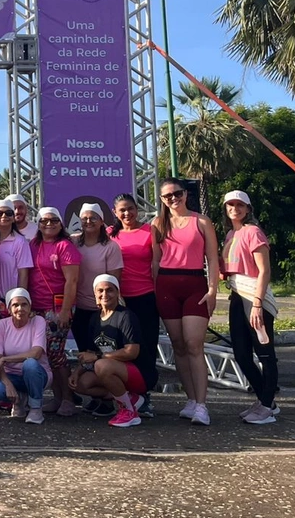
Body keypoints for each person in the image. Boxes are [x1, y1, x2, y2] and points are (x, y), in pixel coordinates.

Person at [151, 178, 219, 425]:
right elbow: (155, 260)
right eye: (167, 196)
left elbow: (212, 258)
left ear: (185, 194)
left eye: (177, 193)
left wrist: (213, 290)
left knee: (193, 344)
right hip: (166, 285)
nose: (173, 199)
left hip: (194, 284)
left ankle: (202, 404)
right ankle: (190, 400)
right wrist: (155, 289)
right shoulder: (158, 223)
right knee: (178, 345)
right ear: (162, 199)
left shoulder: (201, 221)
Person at [221, 190, 279, 425]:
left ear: (247, 209)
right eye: (230, 205)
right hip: (237, 295)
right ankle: (266, 399)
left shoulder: (253, 232)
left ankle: (266, 405)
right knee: (241, 354)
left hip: (254, 297)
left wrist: (257, 303)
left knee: (265, 353)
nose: (235, 209)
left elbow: (264, 270)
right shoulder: (230, 234)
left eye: (239, 205)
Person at [71, 274, 145, 428]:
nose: (105, 294)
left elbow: (132, 352)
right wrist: (76, 373)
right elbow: (91, 351)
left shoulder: (126, 316)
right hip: (111, 369)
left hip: (137, 371)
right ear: (95, 294)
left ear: (117, 293)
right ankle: (129, 398)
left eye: (109, 290)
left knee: (101, 365)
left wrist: (98, 356)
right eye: (100, 291)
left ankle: (128, 411)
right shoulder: (95, 318)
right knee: (80, 383)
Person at [28, 206, 81, 416]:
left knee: (56, 354)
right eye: (44, 220)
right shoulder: (33, 245)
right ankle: (57, 398)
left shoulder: (64, 246)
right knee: (47, 355)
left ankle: (68, 399)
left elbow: (72, 281)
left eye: (53, 220)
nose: (48, 224)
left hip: (57, 308)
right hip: (37, 308)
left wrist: (65, 311)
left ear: (61, 224)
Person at [110, 193, 160, 417]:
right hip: (119, 301)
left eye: (130, 208)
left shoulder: (150, 231)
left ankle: (145, 396)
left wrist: (159, 294)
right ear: (115, 213)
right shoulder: (110, 234)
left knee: (146, 347)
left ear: (137, 209)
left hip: (146, 297)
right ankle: (124, 397)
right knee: (122, 349)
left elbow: (157, 264)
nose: (127, 213)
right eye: (122, 210)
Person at [71, 202, 124, 397]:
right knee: (85, 355)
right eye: (84, 218)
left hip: (102, 312)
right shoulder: (72, 242)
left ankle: (114, 397)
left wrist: (107, 308)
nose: (88, 221)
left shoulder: (111, 247)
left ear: (102, 221)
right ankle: (96, 396)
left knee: (103, 357)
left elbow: (114, 282)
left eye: (93, 218)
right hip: (80, 310)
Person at [0, 288, 50, 424]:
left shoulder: (38, 321)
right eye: (15, 305)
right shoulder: (1, 325)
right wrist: (8, 384)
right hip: (12, 376)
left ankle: (36, 408)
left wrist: (5, 359)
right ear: (9, 309)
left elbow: (36, 353)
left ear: (30, 307)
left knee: (30, 364)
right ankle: (19, 400)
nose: (20, 308)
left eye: (24, 304)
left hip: (38, 374)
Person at [0, 199, 33, 307]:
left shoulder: (20, 242)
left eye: (8, 213)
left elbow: (23, 274)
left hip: (13, 302)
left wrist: (19, 301)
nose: (4, 216)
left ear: (13, 218)